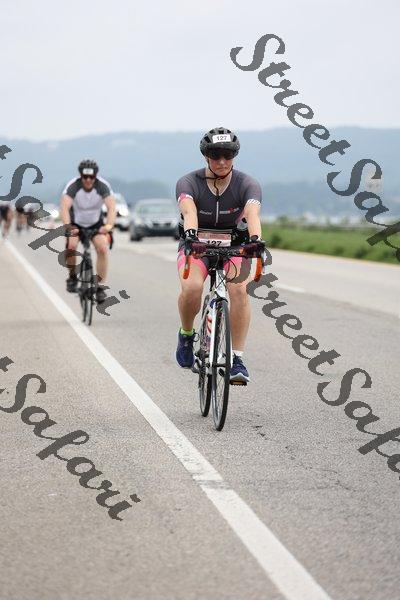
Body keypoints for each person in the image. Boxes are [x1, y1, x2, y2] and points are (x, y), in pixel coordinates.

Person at [175, 127, 265, 384]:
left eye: (228, 155)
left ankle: (237, 358)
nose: (222, 161)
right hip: (197, 245)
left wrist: (255, 240)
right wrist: (191, 236)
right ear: (206, 157)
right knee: (192, 288)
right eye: (216, 156)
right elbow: (189, 212)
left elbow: (252, 214)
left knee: (239, 291)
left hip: (235, 246)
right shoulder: (188, 182)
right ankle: (186, 334)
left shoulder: (247, 184)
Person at [60, 159, 116, 304]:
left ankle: (100, 287)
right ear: (81, 176)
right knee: (71, 246)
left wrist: (108, 226)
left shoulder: (102, 186)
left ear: (95, 176)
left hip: (96, 224)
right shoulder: (73, 185)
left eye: (91, 177)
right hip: (76, 224)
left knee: (102, 248)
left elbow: (111, 207)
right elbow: (64, 208)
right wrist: (68, 226)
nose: (88, 180)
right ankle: (72, 276)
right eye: (85, 177)